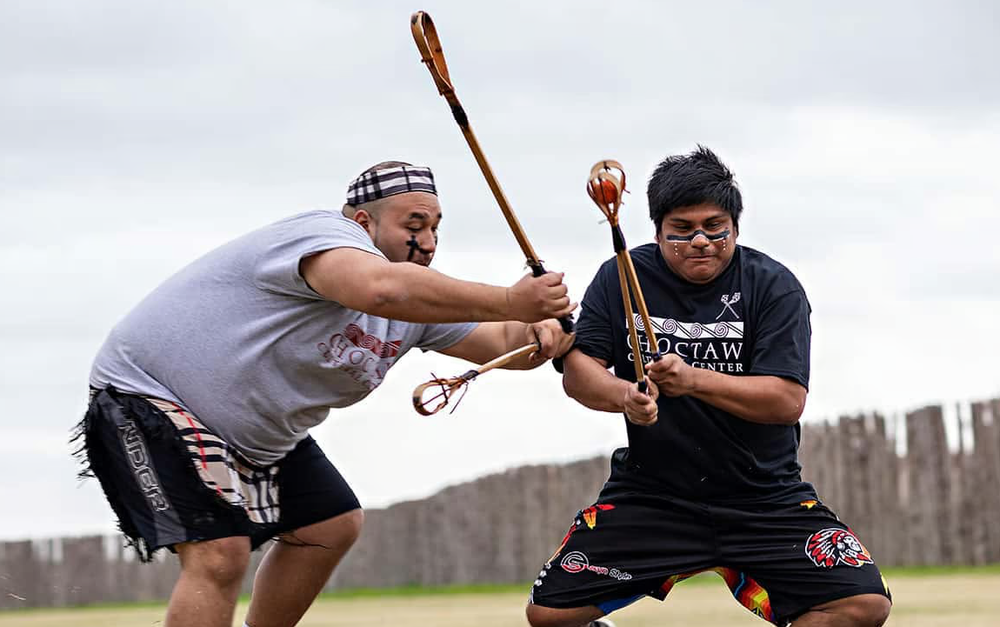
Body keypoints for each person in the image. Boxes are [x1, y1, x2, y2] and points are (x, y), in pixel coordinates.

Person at [75, 161, 575, 627]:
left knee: (329, 526)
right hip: (148, 398)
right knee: (220, 553)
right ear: (363, 222)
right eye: (414, 225)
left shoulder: (417, 304)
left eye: (435, 228)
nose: (427, 242)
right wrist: (510, 300)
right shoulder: (322, 236)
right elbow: (379, 289)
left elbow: (506, 343)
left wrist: (544, 329)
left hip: (256, 436)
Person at [525, 147, 892, 627]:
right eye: (682, 229)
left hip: (764, 497)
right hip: (654, 493)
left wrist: (693, 380)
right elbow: (578, 371)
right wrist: (625, 397)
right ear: (657, 231)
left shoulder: (774, 286)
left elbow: (786, 400)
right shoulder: (621, 276)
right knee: (549, 615)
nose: (700, 240)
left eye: (715, 227)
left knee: (863, 604)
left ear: (735, 227)